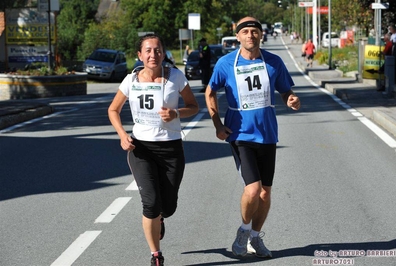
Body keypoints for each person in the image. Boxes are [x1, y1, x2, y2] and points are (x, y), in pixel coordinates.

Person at [204, 16, 301, 259]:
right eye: (245, 31)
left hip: (267, 134)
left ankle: (255, 237)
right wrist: (217, 123)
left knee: (265, 193)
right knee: (253, 189)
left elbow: (286, 90)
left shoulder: (273, 62)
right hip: (240, 133)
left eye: (254, 31)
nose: (250, 35)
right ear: (238, 36)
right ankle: (243, 231)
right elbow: (210, 91)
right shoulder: (226, 64)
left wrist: (291, 99)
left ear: (261, 35)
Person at [108, 33, 199, 266]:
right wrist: (122, 135)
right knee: (150, 203)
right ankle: (156, 255)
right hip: (141, 148)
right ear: (139, 55)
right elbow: (113, 110)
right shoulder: (131, 80)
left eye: (157, 50)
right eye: (148, 50)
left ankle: (161, 218)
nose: (153, 55)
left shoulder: (175, 77)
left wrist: (176, 113)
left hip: (171, 148)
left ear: (164, 53)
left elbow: (193, 106)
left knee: (167, 206)